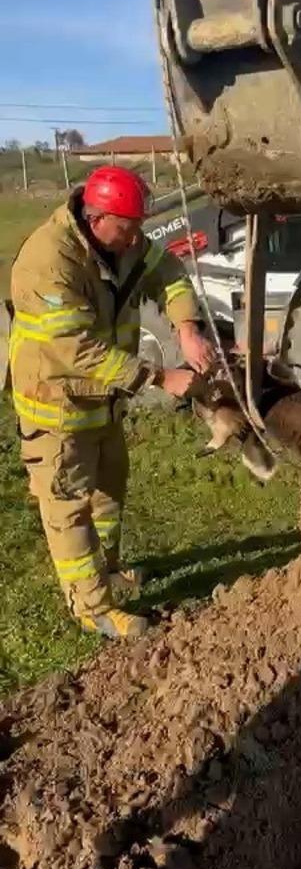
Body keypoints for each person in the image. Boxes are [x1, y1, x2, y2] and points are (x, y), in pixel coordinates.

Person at [9, 165, 216, 641]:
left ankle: (108, 569)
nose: (135, 238)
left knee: (108, 490)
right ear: (96, 219)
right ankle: (93, 608)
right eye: (127, 228)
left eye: (138, 227)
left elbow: (167, 269)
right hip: (57, 407)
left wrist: (186, 327)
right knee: (68, 507)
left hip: (102, 402)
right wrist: (159, 376)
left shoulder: (122, 240)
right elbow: (76, 350)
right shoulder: (48, 262)